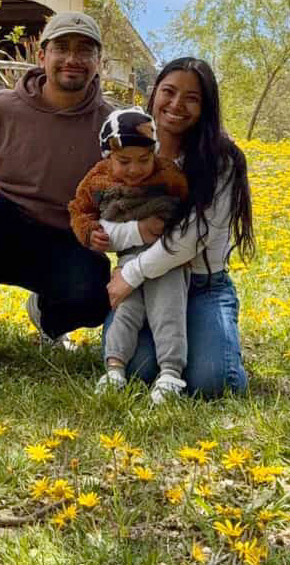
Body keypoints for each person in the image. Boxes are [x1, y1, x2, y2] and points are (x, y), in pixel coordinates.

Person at [0, 11, 114, 377]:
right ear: (41, 56)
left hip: (66, 242)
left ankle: (48, 315)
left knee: (98, 295)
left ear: (98, 63)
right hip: (0, 236)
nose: (73, 59)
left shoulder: (111, 125)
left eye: (85, 51)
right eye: (62, 48)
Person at [93, 57, 255, 397]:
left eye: (192, 98)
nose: (177, 104)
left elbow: (192, 240)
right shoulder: (127, 148)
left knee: (214, 383)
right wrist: (121, 243)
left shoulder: (220, 160)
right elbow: (107, 216)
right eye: (169, 91)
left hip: (201, 284)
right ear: (155, 94)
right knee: (137, 370)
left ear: (206, 107)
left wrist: (131, 273)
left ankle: (214, 341)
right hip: (141, 285)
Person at [68, 107, 190, 401]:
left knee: (168, 308)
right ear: (107, 156)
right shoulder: (96, 181)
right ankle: (114, 370)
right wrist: (88, 231)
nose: (135, 169)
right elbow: (79, 210)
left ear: (155, 154)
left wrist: (171, 221)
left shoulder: (168, 174)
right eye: (124, 161)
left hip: (167, 256)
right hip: (127, 260)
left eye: (143, 160)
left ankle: (171, 374)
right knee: (125, 308)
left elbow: (189, 210)